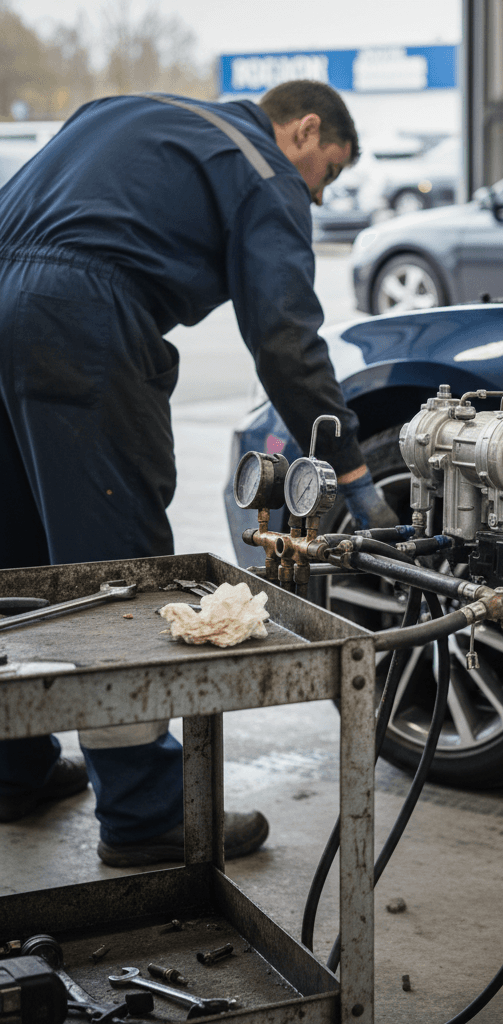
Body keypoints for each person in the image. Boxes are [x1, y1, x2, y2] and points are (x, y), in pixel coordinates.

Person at [0, 80, 396, 865]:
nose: (318, 193)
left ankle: (10, 768)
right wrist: (352, 470)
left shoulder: (123, 108)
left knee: (16, 562)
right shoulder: (262, 167)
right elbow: (284, 336)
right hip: (84, 316)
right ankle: (147, 816)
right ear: (305, 129)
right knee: (122, 575)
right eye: (329, 173)